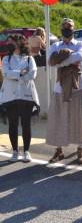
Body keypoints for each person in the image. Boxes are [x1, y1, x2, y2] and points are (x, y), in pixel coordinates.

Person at [46, 18, 82, 164]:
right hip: (59, 88)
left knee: (79, 118)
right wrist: (68, 58)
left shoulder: (80, 44)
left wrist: (61, 59)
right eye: (63, 26)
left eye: (68, 26)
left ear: (73, 28)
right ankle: (60, 151)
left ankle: (80, 150)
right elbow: (51, 62)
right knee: (59, 118)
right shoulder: (55, 45)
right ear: (60, 29)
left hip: (77, 87)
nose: (66, 29)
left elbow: (80, 57)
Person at [0, 33, 40, 162]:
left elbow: (33, 74)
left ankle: (27, 152)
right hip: (10, 96)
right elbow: (6, 73)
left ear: (19, 43)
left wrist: (17, 76)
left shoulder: (29, 59)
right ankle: (15, 151)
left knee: (26, 124)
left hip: (26, 95)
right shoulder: (6, 59)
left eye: (11, 42)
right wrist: (22, 73)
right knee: (13, 124)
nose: (8, 44)